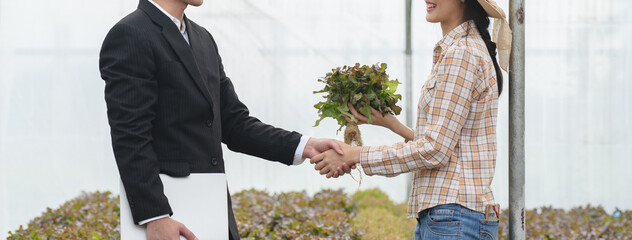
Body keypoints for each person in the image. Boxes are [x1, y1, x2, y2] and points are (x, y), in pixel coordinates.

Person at [99, 0, 348, 239]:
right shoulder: (130, 34)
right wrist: (155, 216)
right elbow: (130, 135)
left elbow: (234, 123)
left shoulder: (202, 38)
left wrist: (305, 145)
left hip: (214, 209)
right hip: (169, 214)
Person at [310, 0, 512, 239]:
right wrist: (392, 124)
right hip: (456, 216)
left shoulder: (461, 54)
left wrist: (355, 154)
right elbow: (451, 145)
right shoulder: (462, 49)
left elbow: (435, 150)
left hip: (453, 217)